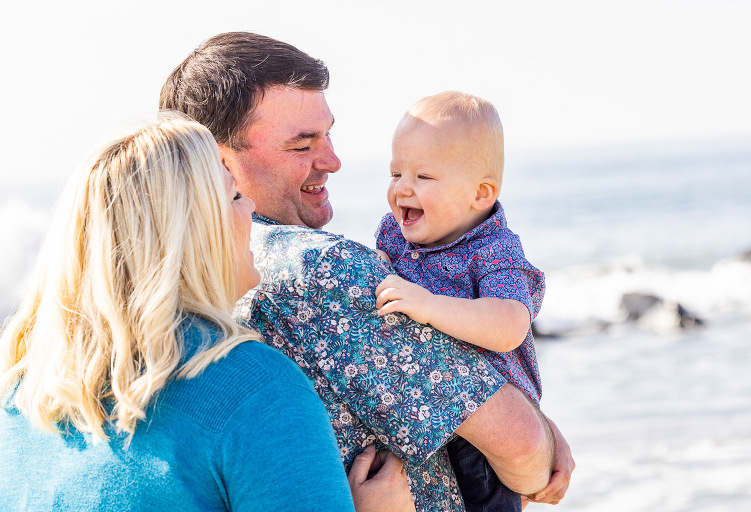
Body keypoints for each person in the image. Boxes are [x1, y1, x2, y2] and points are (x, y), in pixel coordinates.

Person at [160, 32, 574, 511]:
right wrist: (539, 431)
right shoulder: (320, 269)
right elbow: (524, 452)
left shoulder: (180, 284)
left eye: (328, 134)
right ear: (217, 161)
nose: (333, 161)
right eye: (302, 145)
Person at [0, 114, 414, 512]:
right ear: (193, 231)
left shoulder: (19, 394)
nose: (249, 206)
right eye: (233, 196)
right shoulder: (258, 390)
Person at [374, 91, 545, 511]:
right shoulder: (394, 233)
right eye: (395, 173)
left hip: (486, 421)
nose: (402, 188)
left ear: (481, 194)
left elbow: (509, 325)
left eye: (423, 177)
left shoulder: (495, 249)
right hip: (424, 404)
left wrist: (429, 305)